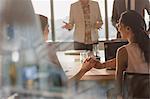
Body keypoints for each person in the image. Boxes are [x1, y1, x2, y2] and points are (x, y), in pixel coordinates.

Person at [72, 10, 150, 96]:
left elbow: (118, 87)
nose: (118, 27)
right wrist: (102, 65)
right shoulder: (145, 49)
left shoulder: (123, 51)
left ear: (128, 28)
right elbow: (132, 60)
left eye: (119, 24)